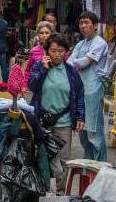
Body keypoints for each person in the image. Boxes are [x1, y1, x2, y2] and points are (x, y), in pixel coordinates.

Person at [29, 34, 85, 191]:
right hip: (42, 120)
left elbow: (79, 94)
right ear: (47, 51)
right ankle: (44, 189)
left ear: (65, 52)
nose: (57, 54)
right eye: (53, 50)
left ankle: (60, 192)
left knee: (63, 160)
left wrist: (80, 116)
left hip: (64, 122)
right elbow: (32, 86)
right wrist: (43, 70)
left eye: (61, 51)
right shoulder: (39, 67)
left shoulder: (71, 72)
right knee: (42, 157)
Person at [67, 11, 108, 161]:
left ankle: (100, 165)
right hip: (80, 91)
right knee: (83, 129)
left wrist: (71, 64)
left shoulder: (100, 43)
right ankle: (89, 163)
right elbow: (71, 61)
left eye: (87, 23)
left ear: (95, 26)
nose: (83, 26)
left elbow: (83, 62)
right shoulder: (80, 44)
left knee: (93, 131)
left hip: (93, 90)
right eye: (81, 23)